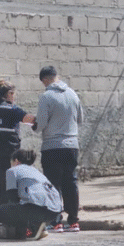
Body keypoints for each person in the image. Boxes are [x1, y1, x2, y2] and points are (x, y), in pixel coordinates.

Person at [34, 65, 84, 232]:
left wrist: (33, 125)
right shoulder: (73, 94)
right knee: (71, 182)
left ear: (46, 79)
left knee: (53, 184)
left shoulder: (46, 96)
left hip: (52, 146)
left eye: (43, 83)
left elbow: (40, 123)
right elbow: (81, 119)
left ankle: (55, 222)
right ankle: (73, 221)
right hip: (72, 146)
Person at [0, 80, 35, 212]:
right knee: (8, 186)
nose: (14, 97)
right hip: (8, 153)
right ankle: (9, 219)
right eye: (14, 94)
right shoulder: (12, 109)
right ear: (9, 94)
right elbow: (30, 120)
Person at [0, 149, 62, 240]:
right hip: (54, 211)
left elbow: (12, 198)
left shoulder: (12, 171)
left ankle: (25, 231)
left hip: (38, 210)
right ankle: (39, 228)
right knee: (28, 205)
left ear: (16, 160)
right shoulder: (36, 171)